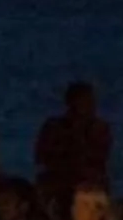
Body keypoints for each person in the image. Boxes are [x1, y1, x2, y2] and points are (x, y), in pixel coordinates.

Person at [33, 82, 113, 210]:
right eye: (83, 101)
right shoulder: (53, 126)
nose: (90, 106)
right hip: (60, 177)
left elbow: (99, 157)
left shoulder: (99, 128)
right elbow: (41, 157)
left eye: (90, 101)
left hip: (87, 179)